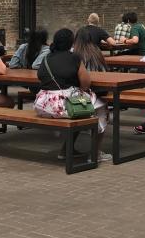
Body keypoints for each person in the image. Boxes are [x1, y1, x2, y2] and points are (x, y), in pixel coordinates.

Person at [35, 28, 108, 161]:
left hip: (43, 106)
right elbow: (86, 83)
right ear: (71, 43)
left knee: (80, 110)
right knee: (100, 107)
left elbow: (40, 76)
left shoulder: (46, 58)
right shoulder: (74, 58)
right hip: (62, 107)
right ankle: (95, 154)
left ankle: (65, 150)